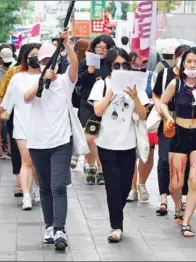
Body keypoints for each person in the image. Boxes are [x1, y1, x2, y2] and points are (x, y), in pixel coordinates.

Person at [23, 30, 78, 251]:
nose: (49, 64)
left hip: (61, 142)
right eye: (45, 61)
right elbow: (27, 98)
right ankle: (49, 226)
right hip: (37, 143)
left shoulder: (66, 82)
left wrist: (67, 44)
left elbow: (75, 66)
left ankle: (60, 229)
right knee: (44, 186)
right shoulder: (32, 81)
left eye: (52, 60)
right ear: (39, 63)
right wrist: (41, 81)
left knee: (58, 186)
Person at [88, 47, 149, 242]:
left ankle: (116, 212)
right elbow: (97, 110)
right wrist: (111, 92)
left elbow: (143, 115)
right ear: (110, 66)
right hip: (106, 144)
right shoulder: (102, 85)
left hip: (128, 145)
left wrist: (135, 97)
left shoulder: (135, 86)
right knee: (112, 187)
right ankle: (116, 226)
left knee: (123, 187)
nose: (121, 68)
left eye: (125, 65)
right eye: (117, 65)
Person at [160, 47, 196, 237]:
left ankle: (187, 222)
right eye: (189, 61)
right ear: (183, 63)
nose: (192, 65)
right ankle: (178, 205)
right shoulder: (176, 84)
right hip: (179, 134)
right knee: (175, 184)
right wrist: (167, 116)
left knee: (195, 180)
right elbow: (163, 102)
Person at [0, 43, 41, 210]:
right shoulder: (17, 77)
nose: (36, 58)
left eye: (39, 55)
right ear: (25, 57)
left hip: (42, 126)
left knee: (37, 162)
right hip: (21, 124)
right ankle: (26, 196)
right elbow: (6, 103)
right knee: (27, 161)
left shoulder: (49, 77)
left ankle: (37, 189)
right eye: (32, 54)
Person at [152, 44, 190, 216]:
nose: (184, 61)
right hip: (167, 121)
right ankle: (163, 199)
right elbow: (156, 93)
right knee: (164, 160)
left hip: (188, 123)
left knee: (185, 161)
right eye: (181, 57)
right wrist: (160, 106)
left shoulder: (193, 78)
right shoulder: (165, 74)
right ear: (174, 58)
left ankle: (182, 198)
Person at [0, 44, 32, 198]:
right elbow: (1, 94)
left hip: (38, 116)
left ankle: (32, 181)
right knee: (16, 148)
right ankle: (20, 182)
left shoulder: (44, 71)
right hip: (16, 114)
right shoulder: (13, 72)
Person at [77, 35, 115, 185]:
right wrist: (89, 72)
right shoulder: (86, 62)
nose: (101, 50)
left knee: (102, 138)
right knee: (89, 138)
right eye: (99, 47)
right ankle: (91, 165)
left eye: (105, 48)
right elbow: (77, 81)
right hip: (88, 105)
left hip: (106, 105)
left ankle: (100, 170)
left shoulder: (112, 64)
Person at [126, 52, 156, 202]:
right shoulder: (125, 77)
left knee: (148, 151)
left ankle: (142, 183)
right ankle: (132, 188)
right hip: (129, 119)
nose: (139, 68)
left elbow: (158, 95)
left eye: (142, 64)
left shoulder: (152, 76)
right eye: (135, 64)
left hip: (148, 120)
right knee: (131, 153)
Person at [70, 39, 91, 169]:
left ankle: (83, 160)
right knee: (85, 131)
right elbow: (77, 80)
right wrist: (89, 72)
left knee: (88, 131)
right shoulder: (80, 62)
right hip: (82, 100)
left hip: (86, 101)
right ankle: (79, 156)